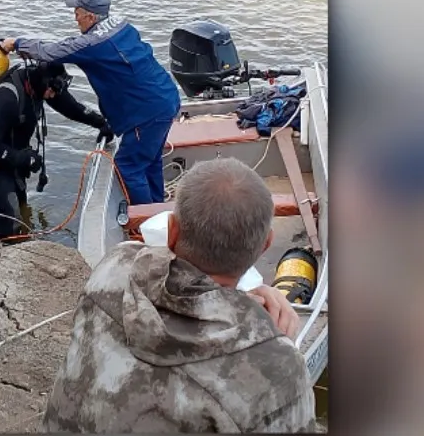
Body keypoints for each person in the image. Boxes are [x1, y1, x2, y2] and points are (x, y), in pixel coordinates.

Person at [43, 157, 318, 433]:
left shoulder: (116, 266)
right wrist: (273, 345)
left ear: (171, 231)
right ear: (265, 245)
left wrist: (246, 299)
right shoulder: (278, 367)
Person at [0, 0, 180, 206]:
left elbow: (52, 51)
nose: (75, 18)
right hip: (166, 97)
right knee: (148, 161)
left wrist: (16, 43)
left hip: (147, 112)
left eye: (77, 13)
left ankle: (145, 224)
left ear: (91, 17)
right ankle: (157, 210)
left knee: (128, 166)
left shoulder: (92, 44)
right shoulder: (122, 25)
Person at [0, 61, 113, 242]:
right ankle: (5, 255)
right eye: (51, 91)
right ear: (42, 83)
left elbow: (72, 108)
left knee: (21, 203)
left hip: (13, 150)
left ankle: (19, 241)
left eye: (55, 92)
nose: (52, 96)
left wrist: (101, 123)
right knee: (10, 209)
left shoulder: (45, 85)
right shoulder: (8, 96)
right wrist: (22, 159)